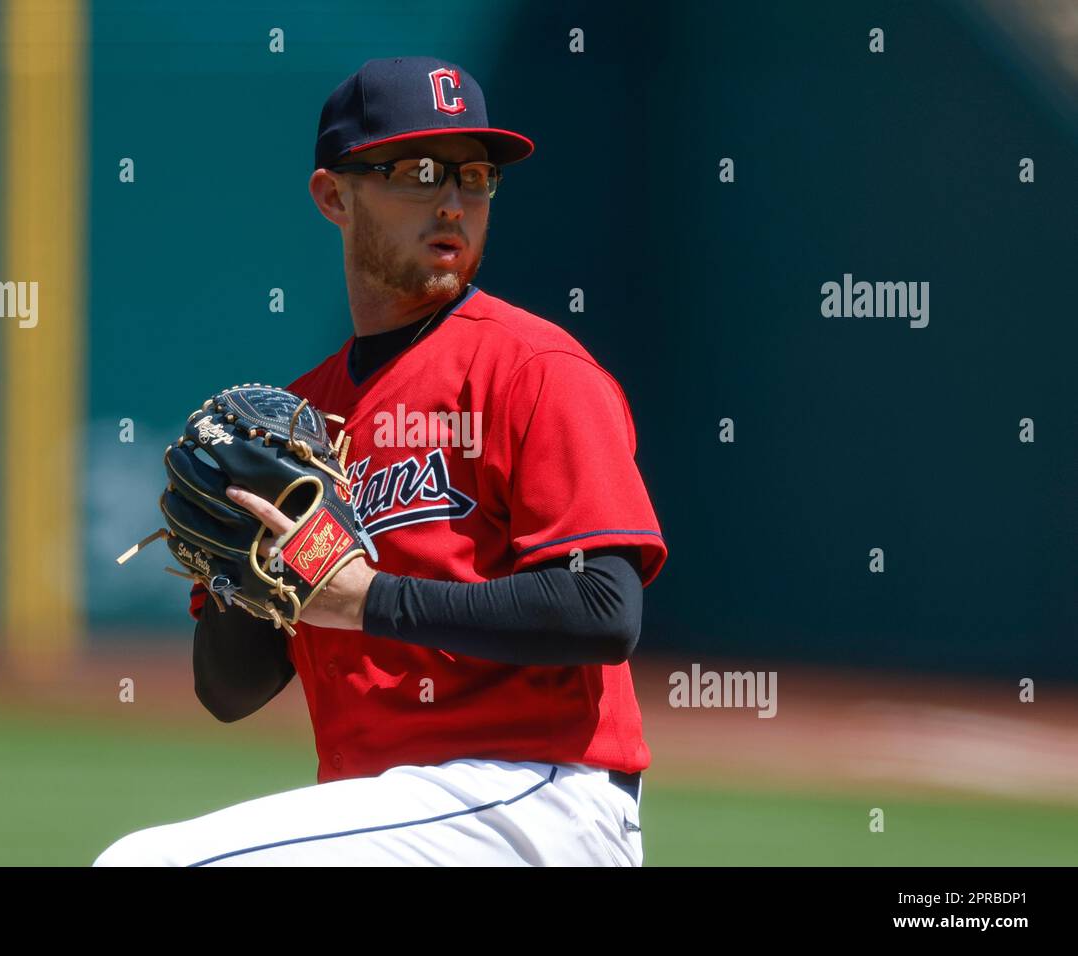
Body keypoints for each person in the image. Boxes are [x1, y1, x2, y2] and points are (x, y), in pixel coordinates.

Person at [95, 56, 668, 867]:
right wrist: (238, 575)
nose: (453, 202)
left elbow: (602, 610)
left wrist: (366, 598)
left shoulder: (536, 368)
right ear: (334, 195)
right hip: (387, 815)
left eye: (475, 177)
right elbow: (228, 693)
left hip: (535, 796)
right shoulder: (299, 422)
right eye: (419, 172)